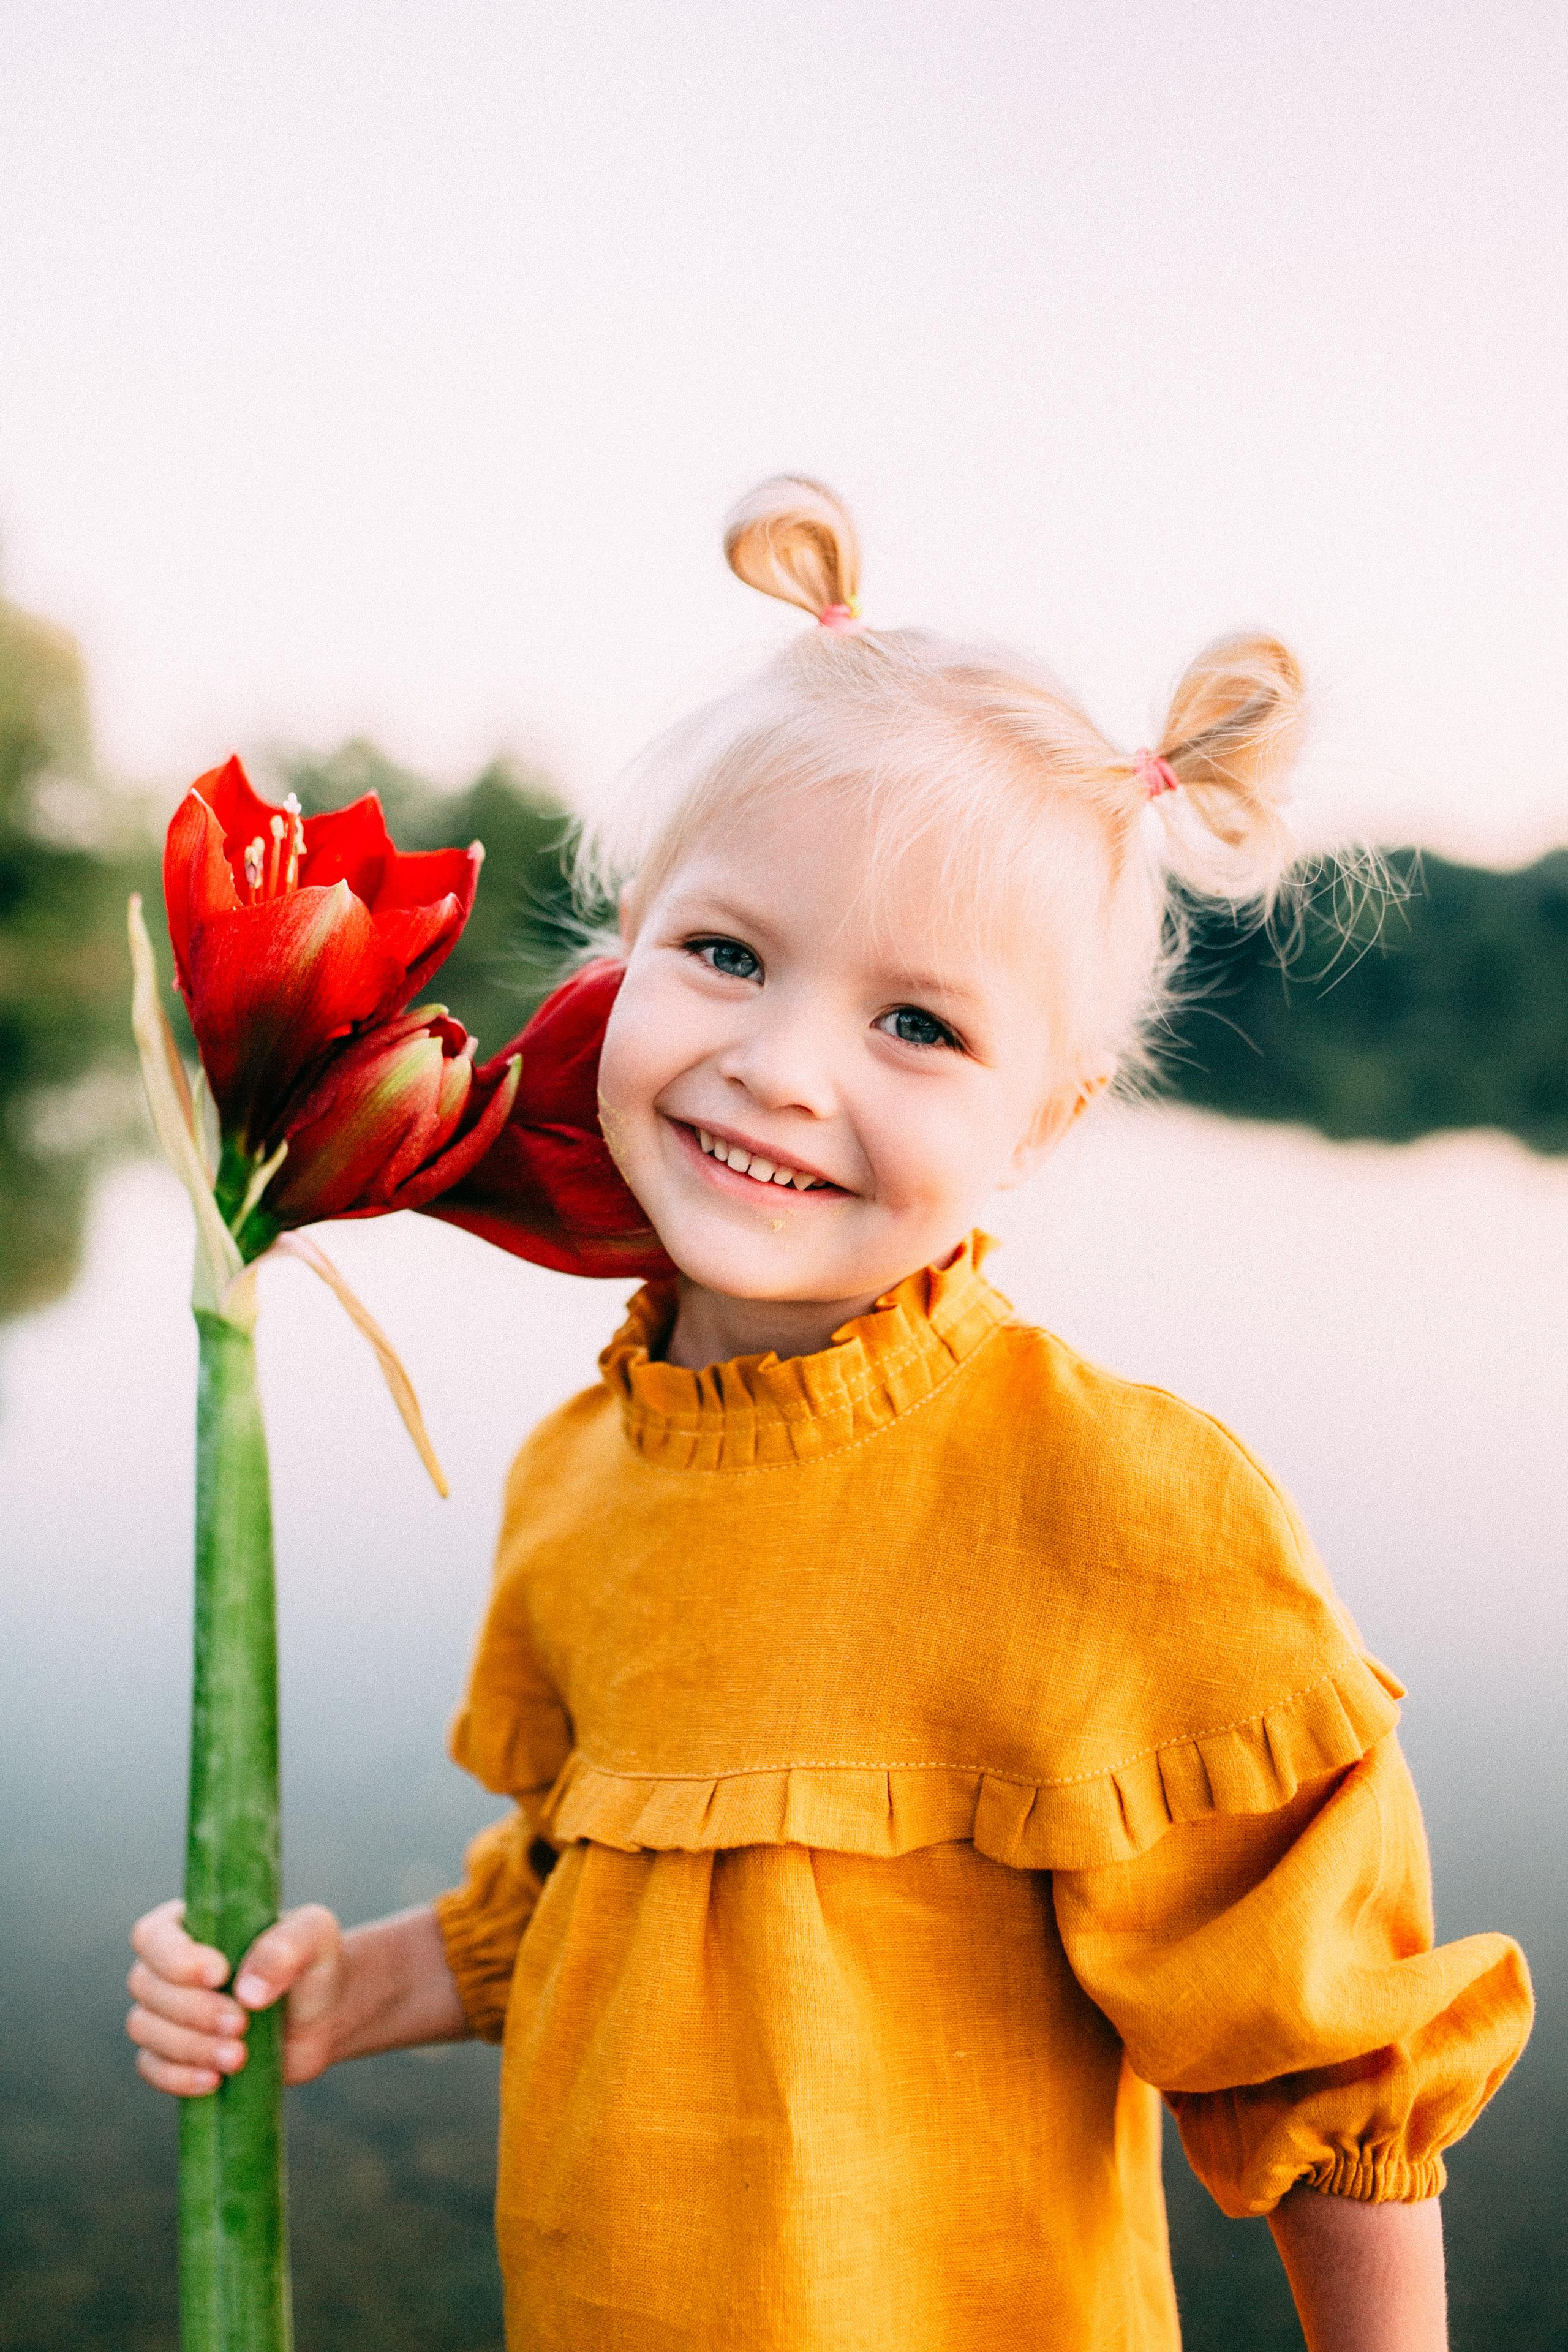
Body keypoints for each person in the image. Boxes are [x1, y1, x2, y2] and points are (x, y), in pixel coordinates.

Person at [126, 478, 1532, 2350]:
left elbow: (1325, 2058)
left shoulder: (1116, 1507)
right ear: (630, 941)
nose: (781, 1069)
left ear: (1047, 1119)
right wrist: (351, 1988)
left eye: (921, 1028)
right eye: (728, 954)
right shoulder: (576, 1469)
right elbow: (593, 1888)